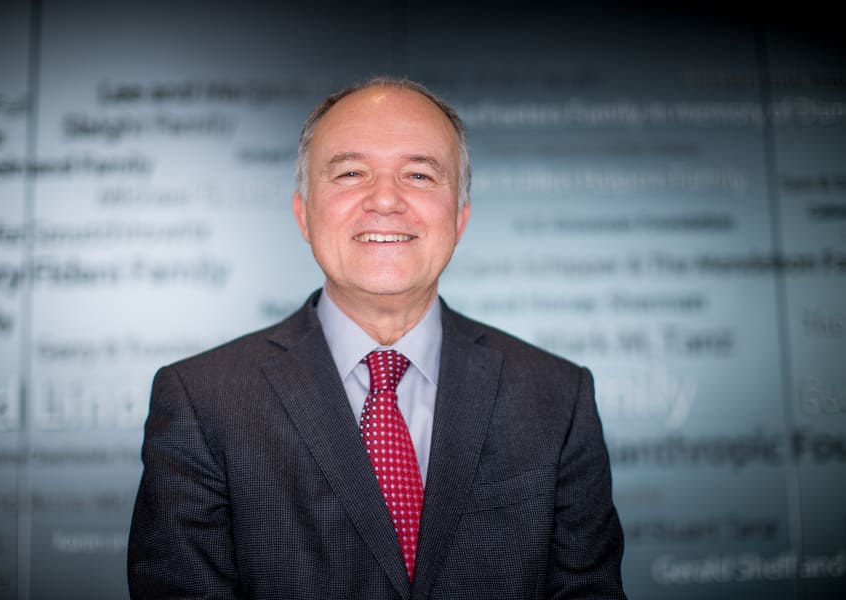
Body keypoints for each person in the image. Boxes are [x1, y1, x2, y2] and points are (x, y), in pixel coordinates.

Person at [128, 76, 626, 599]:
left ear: (460, 217)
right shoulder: (202, 401)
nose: (385, 199)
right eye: (350, 173)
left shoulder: (556, 397)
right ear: (303, 213)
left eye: (418, 174)